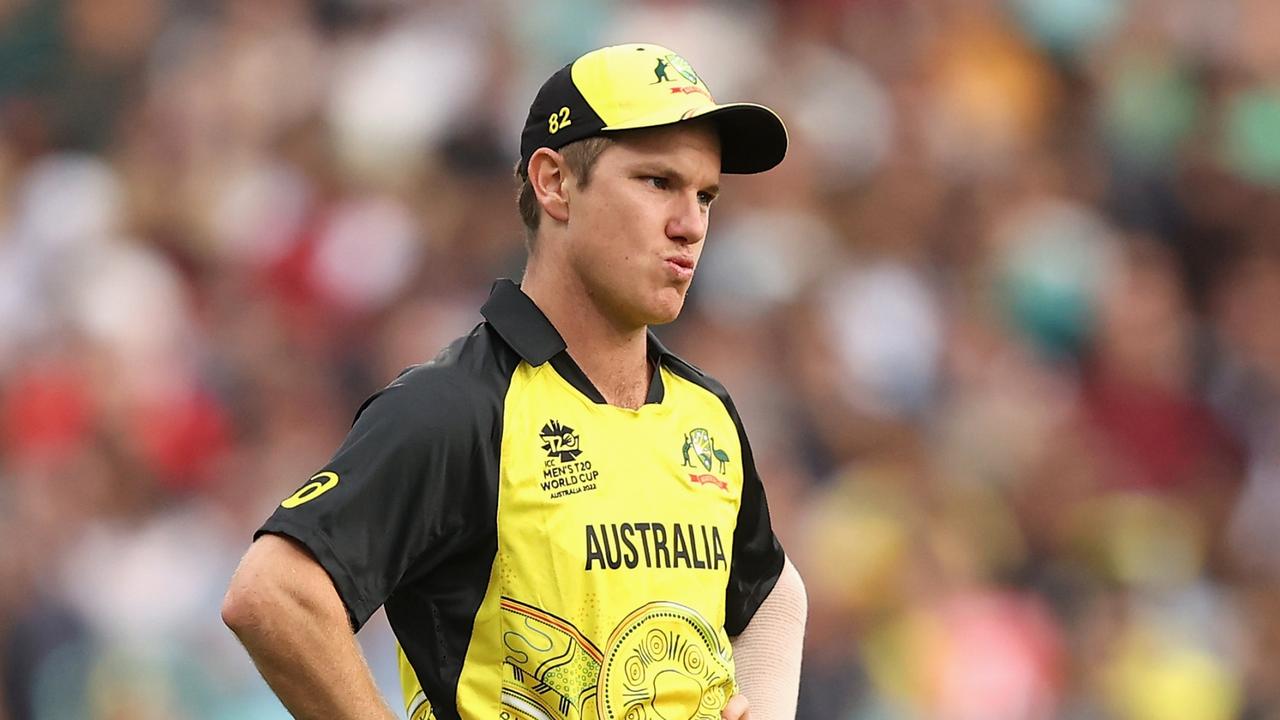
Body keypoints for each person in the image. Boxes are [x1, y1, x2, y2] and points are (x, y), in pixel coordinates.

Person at [221, 42, 807, 720]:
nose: (690, 225)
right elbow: (274, 595)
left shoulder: (706, 412)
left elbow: (771, 589)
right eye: (657, 183)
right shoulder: (459, 406)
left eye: (705, 195)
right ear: (554, 182)